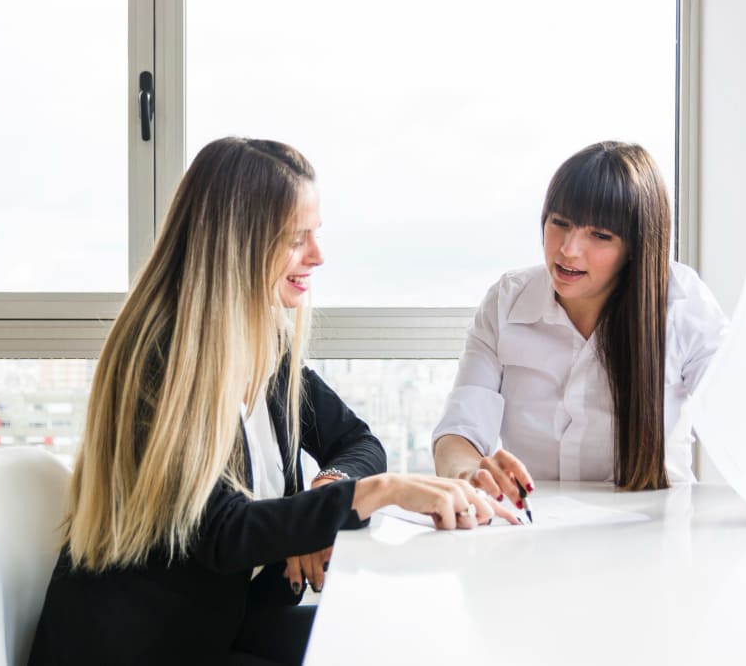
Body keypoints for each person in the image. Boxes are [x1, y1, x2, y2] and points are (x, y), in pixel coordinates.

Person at [29, 137, 516, 666]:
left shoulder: (262, 340)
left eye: (315, 234)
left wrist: (327, 494)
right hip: (143, 645)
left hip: (226, 626)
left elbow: (356, 440)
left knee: (400, 638)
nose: (317, 255)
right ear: (236, 244)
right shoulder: (161, 357)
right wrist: (377, 493)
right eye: (294, 238)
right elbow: (221, 531)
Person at [432, 141, 746, 501]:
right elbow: (460, 429)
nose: (568, 250)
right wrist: (468, 473)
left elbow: (739, 414)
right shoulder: (507, 300)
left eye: (600, 235)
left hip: (656, 530)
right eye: (560, 222)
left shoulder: (680, 302)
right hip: (536, 528)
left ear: (636, 247)